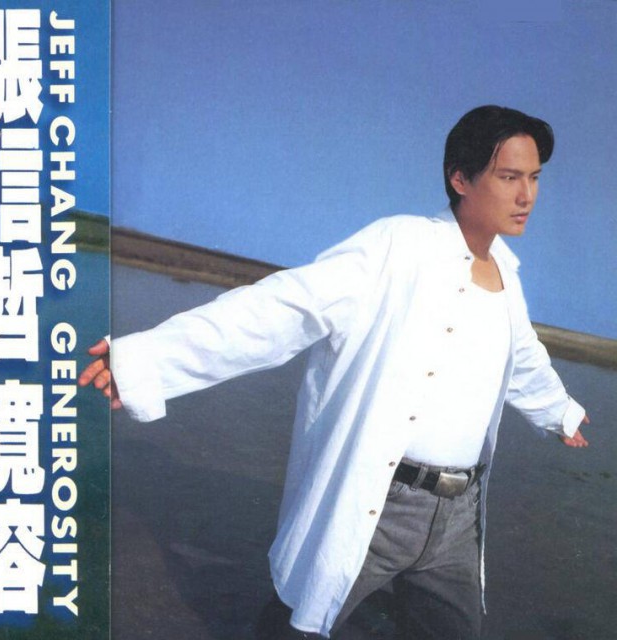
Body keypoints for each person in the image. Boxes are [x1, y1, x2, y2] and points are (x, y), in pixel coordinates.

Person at [80, 105, 589, 639]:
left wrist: (558, 412)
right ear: (460, 178)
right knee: (301, 621)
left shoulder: (507, 275)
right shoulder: (398, 246)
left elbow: (521, 356)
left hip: (460, 517)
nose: (527, 196)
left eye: (534, 178)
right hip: (381, 501)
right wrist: (145, 361)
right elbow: (283, 308)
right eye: (509, 177)